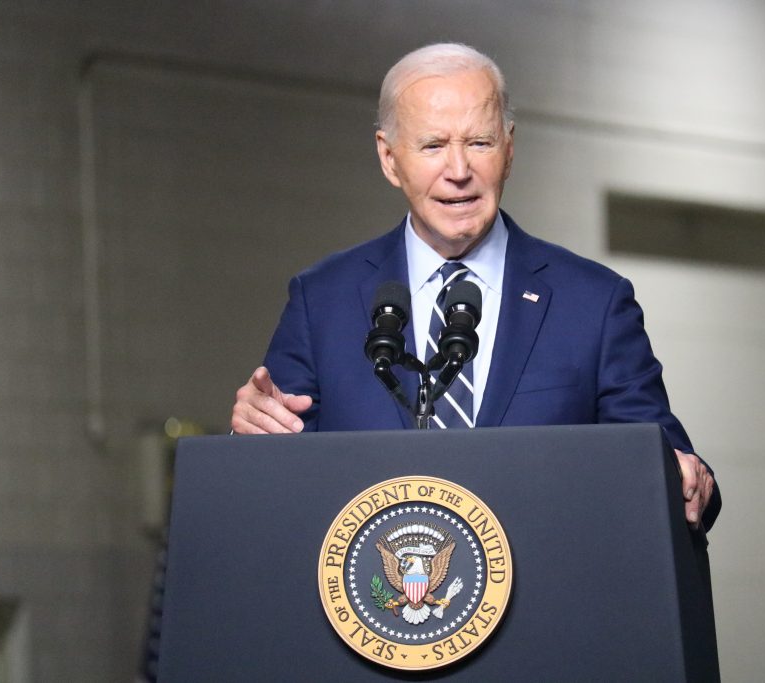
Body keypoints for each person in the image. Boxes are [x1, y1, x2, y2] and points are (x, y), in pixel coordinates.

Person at [231, 43, 720, 531]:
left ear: (509, 149)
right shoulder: (322, 301)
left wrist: (683, 475)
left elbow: (667, 467)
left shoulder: (594, 303)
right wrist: (253, 433)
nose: (459, 171)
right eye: (433, 146)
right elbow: (272, 487)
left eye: (479, 143)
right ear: (389, 158)